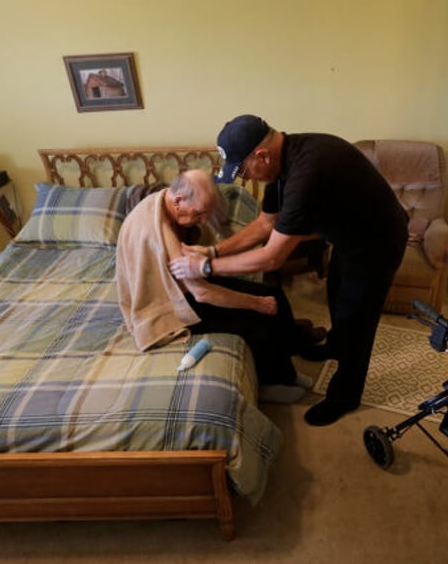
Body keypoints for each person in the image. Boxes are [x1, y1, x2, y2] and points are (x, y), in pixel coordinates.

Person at [169, 115, 409, 426]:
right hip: (348, 237)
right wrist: (214, 250)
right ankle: (334, 347)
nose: (245, 178)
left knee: (358, 318)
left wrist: (204, 265)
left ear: (262, 155)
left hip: (378, 240)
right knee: (338, 296)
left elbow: (272, 258)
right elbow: (264, 224)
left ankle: (345, 395)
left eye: (242, 170)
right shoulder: (281, 166)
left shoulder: (308, 172)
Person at [116, 169, 313, 403]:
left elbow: (216, 243)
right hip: (171, 301)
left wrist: (212, 254)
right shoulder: (159, 227)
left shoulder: (173, 202)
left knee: (275, 294)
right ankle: (268, 384)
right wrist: (257, 303)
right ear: (179, 200)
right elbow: (201, 293)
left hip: (188, 284)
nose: (202, 220)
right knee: (257, 320)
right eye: (199, 214)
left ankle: (290, 366)